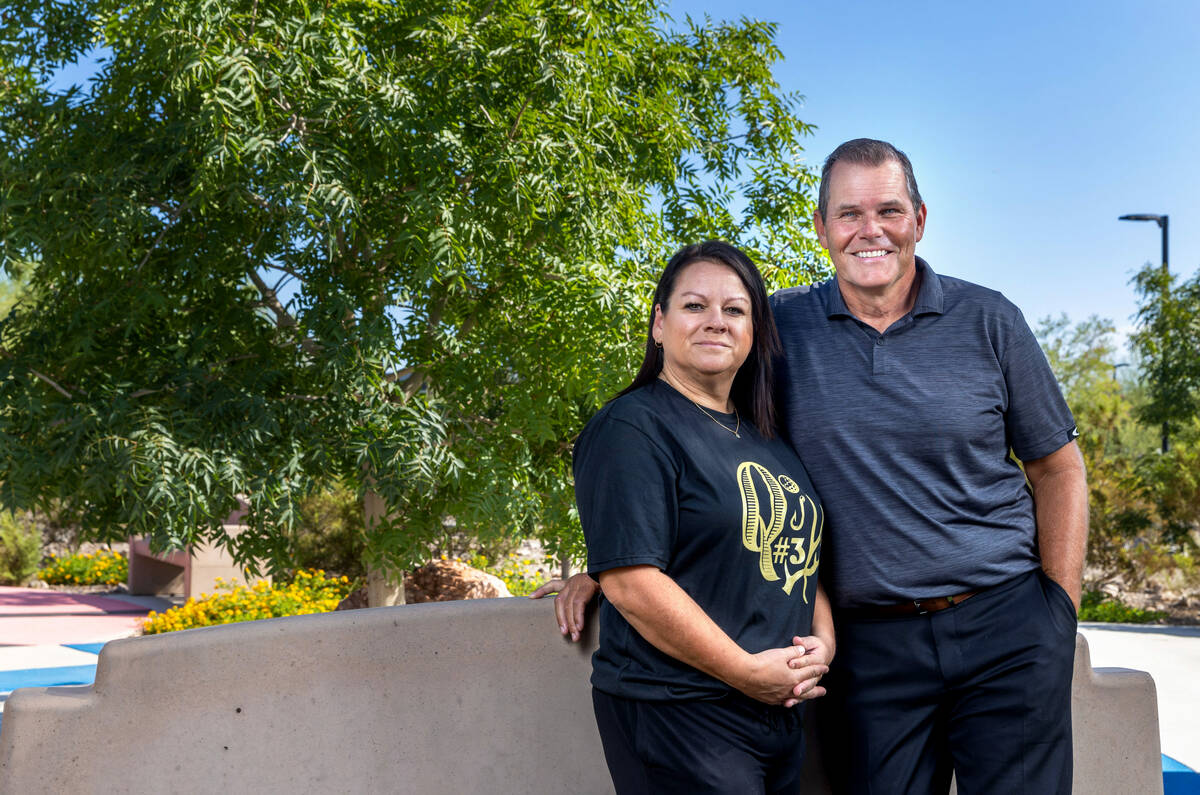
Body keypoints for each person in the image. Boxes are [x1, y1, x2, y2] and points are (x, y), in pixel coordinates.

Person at [539, 140, 1088, 794]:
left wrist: (1059, 609)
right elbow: (687, 440)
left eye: (888, 209)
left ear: (919, 218)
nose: (870, 229)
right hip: (869, 649)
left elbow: (1058, 468)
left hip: (1006, 625)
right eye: (849, 213)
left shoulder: (991, 320)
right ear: (821, 227)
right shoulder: (780, 331)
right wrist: (613, 565)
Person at [539, 240, 835, 794]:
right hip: (679, 712)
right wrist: (748, 674)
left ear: (754, 332)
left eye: (735, 309)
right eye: (695, 306)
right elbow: (632, 580)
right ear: (659, 324)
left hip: (777, 714)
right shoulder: (632, 426)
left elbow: (796, 553)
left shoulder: (766, 437)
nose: (715, 322)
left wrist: (825, 640)